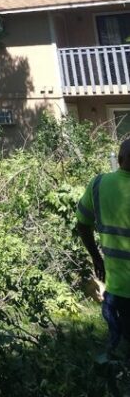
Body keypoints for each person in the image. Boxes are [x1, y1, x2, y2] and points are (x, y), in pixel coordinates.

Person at [76, 137, 130, 351]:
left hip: (119, 287)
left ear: (119, 159)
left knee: (123, 340)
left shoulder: (99, 184)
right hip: (119, 289)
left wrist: (96, 257)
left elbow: (82, 225)